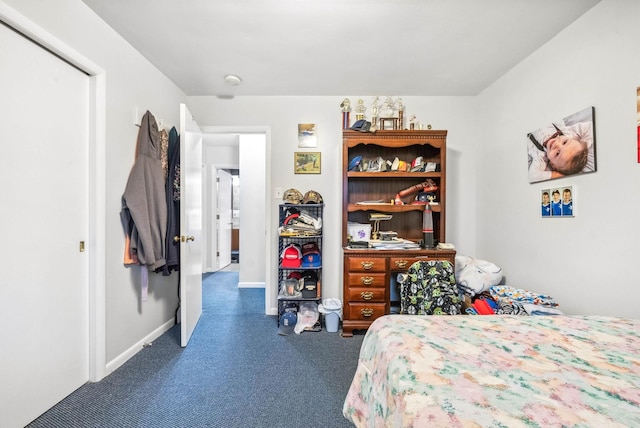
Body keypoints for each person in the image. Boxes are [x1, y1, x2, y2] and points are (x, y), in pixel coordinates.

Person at [527, 115, 594, 183]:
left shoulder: (541, 157)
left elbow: (533, 176)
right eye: (564, 142)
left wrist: (557, 175)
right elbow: (591, 128)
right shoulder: (568, 134)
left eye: (557, 153)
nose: (557, 144)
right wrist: (583, 146)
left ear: (553, 165)